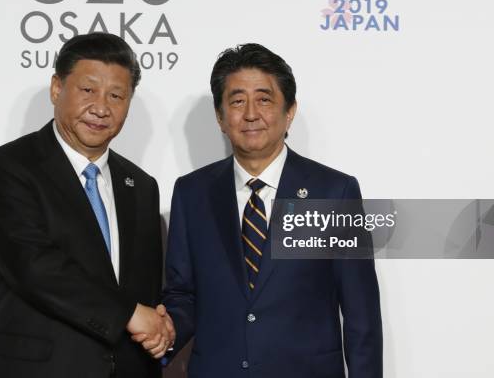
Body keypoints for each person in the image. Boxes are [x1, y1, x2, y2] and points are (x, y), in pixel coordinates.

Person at [162, 43, 382, 377]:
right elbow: (182, 294)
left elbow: (361, 314)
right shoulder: (191, 193)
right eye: (237, 101)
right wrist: (162, 332)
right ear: (221, 117)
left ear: (289, 110)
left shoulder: (335, 193)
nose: (251, 113)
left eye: (264, 99)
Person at [0, 33, 174, 378]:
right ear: (56, 88)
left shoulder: (141, 186)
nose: (101, 107)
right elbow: (35, 268)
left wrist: (161, 326)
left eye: (116, 95)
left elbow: (145, 290)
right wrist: (129, 313)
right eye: (87, 90)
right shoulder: (8, 168)